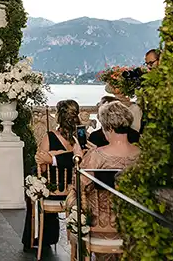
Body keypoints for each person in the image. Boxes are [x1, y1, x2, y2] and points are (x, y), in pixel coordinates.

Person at [67, 101, 141, 261]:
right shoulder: (141, 154)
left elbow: (79, 186)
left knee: (72, 200)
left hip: (100, 225)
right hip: (134, 222)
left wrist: (78, 156)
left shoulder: (97, 156)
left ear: (109, 128)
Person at [22, 99, 79, 252]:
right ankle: (51, 236)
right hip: (75, 191)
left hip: (54, 193)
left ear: (59, 116)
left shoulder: (50, 137)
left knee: (34, 185)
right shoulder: (82, 137)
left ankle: (33, 239)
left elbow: (42, 164)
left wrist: (54, 156)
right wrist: (67, 156)